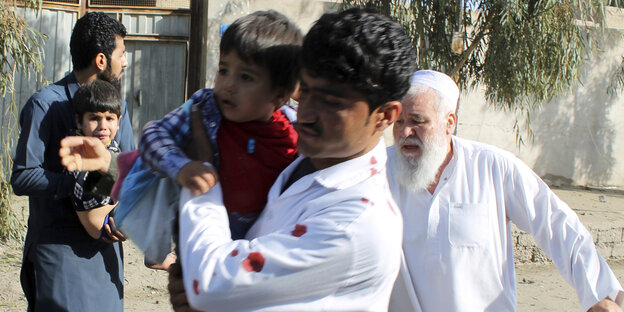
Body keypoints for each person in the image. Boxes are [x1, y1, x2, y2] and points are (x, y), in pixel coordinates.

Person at [59, 7, 416, 311]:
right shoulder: (300, 159)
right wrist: (110, 164)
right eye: (305, 92)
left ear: (385, 115)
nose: (306, 112)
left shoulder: (356, 223)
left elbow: (213, 281)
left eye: (333, 103)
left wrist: (203, 174)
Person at [387, 70, 624, 312]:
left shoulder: (493, 167)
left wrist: (600, 294)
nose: (406, 132)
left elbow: (556, 223)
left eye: (417, 121)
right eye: (399, 122)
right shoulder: (379, 173)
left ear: (449, 123)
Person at [139, 9, 301, 242]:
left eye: (246, 77)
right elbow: (153, 135)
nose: (228, 85)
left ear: (279, 95)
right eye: (223, 70)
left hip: (260, 246)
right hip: (206, 237)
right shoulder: (204, 109)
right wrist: (181, 166)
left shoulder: (293, 131)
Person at [11, 12, 134, 311]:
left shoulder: (117, 106)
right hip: (59, 254)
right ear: (102, 60)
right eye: (122, 53)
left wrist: (122, 216)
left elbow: (128, 168)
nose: (126, 61)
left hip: (104, 253)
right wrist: (79, 182)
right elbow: (23, 177)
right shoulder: (46, 104)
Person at [70, 79, 124, 240]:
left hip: (110, 218)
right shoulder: (80, 151)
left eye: (109, 119)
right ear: (79, 121)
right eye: (94, 118)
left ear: (118, 122)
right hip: (102, 225)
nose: (103, 126)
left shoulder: (110, 145)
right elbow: (84, 192)